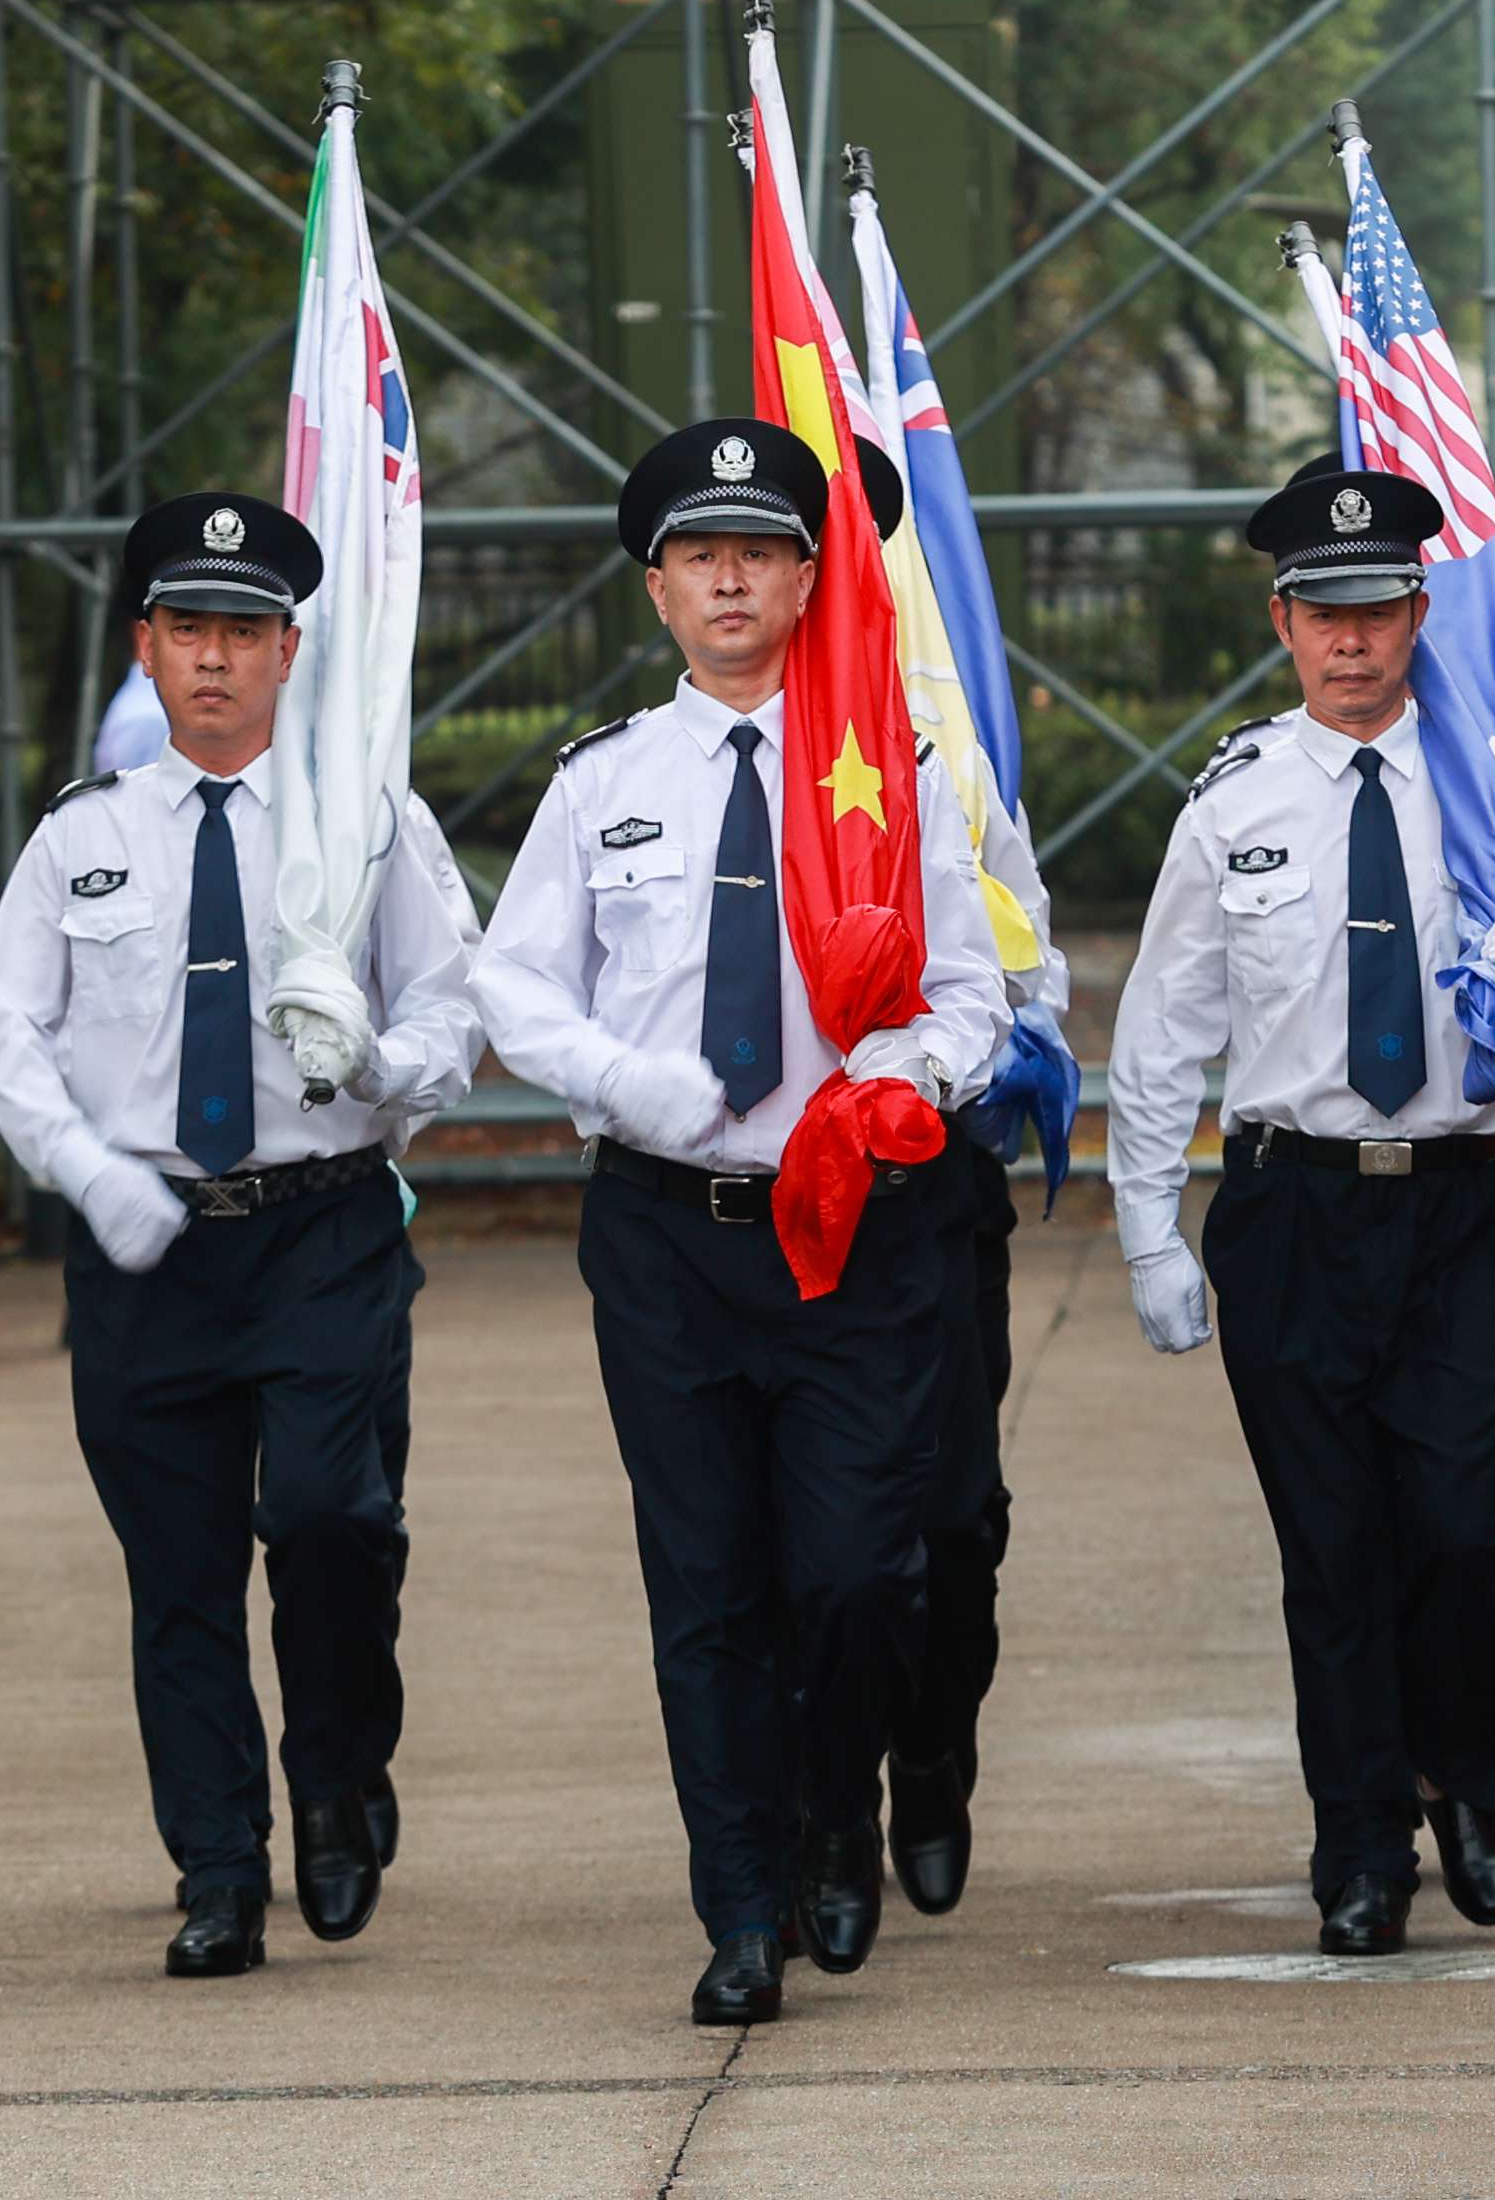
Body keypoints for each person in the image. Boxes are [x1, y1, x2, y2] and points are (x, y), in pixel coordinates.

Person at [473, 419, 1008, 2028]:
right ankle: (743, 1901)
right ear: (658, 589)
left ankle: (842, 1797)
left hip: (855, 1229)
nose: (730, 578)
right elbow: (512, 986)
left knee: (855, 1574)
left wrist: (907, 1074)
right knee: (706, 1581)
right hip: (669, 1237)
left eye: (761, 551)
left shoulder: (895, 772)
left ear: (806, 576)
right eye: (700, 555)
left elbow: (975, 988)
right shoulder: (602, 785)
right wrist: (628, 1085)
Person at [1107, 457, 1495, 1958]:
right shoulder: (1234, 801)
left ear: (1420, 609)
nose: (1352, 642)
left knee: (1471, 1528)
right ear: (1282, 620)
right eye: (1322, 612)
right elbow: (1162, 1031)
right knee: (1333, 1553)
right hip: (1298, 1214)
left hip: (1466, 1199)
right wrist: (1148, 1228)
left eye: (1379, 609)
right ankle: (1359, 1845)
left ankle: (1467, 1757)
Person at [0, 491, 481, 1981]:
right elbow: (7, 1024)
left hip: (319, 1227)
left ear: (289, 651)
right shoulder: (85, 839)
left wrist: (384, 1067)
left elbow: (454, 1004)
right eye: (188, 629)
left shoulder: (365, 824)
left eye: (243, 633)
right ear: (146, 645)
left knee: (332, 1523)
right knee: (178, 1571)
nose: (214, 660)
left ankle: (335, 1779)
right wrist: (81, 1167)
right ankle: (216, 1866)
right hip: (146, 1250)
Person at [888, 748, 1063, 1920]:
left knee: (953, 1514)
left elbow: (1025, 952)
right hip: (761, 1182)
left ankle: (933, 1749)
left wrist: (988, 1046)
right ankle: (814, 1809)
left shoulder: (932, 755)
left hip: (928, 1177)